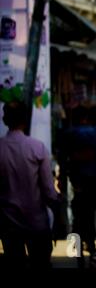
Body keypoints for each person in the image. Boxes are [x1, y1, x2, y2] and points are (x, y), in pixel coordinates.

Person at [0, 101, 60, 268]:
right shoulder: (37, 148)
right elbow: (49, 191)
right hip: (36, 224)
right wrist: (57, 214)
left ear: (5, 120)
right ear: (25, 120)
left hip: (8, 224)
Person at [64, 106, 96, 266]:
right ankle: (91, 249)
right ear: (86, 117)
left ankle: (78, 252)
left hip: (75, 181)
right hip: (91, 180)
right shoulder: (94, 132)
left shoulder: (68, 133)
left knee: (77, 218)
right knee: (89, 216)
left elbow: (64, 158)